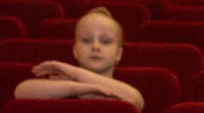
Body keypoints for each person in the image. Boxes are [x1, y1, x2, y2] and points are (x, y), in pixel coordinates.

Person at [14, 7, 144, 107]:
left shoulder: (125, 88)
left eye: (105, 41)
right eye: (86, 40)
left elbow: (134, 100)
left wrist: (76, 73)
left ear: (118, 54)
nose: (95, 46)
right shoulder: (64, 86)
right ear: (75, 51)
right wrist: (79, 88)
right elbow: (21, 91)